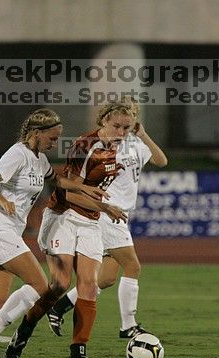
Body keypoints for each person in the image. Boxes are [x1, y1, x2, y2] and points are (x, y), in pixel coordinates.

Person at [0, 109, 111, 358]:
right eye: (52, 138)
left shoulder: (38, 159)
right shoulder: (16, 154)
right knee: (42, 287)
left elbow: (59, 182)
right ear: (36, 133)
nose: (54, 144)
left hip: (3, 234)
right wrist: (2, 200)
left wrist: (84, 187)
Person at [3, 101, 132, 358]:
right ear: (103, 121)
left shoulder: (117, 149)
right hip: (63, 216)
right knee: (60, 284)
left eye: (126, 127)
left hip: (90, 222)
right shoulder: (87, 146)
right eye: (116, 126)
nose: (121, 132)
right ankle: (24, 331)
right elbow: (68, 192)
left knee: (88, 284)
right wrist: (107, 207)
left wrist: (102, 205)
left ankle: (77, 355)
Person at [46, 98, 168, 339]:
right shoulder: (107, 144)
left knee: (106, 279)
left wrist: (144, 135)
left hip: (120, 214)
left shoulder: (134, 144)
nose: (126, 124)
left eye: (132, 117)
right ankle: (128, 326)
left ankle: (58, 307)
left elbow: (161, 160)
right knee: (133, 266)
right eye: (122, 120)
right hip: (107, 212)